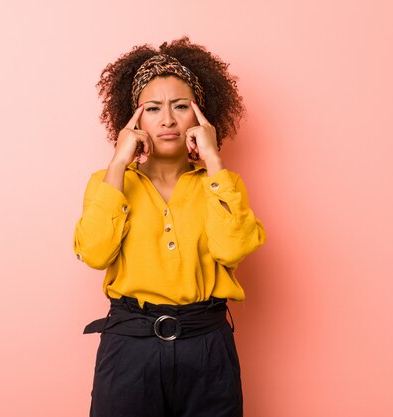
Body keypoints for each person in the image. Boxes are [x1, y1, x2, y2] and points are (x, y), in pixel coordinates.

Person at [73, 36, 266, 417]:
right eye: (153, 108)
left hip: (207, 344)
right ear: (134, 118)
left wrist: (212, 160)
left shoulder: (222, 184)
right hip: (130, 346)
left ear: (200, 117)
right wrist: (117, 164)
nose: (167, 119)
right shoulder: (107, 182)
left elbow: (233, 249)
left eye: (181, 106)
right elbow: (94, 253)